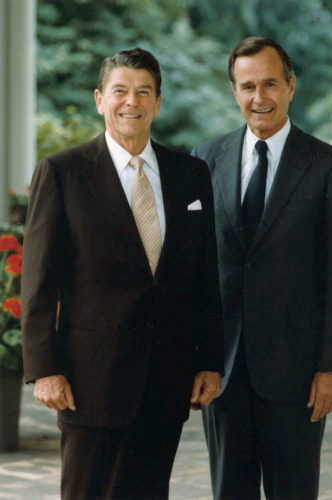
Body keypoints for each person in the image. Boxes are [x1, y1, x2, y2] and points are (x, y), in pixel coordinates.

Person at [22, 48, 223, 500]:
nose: (131, 102)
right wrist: (44, 370)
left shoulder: (191, 175)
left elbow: (205, 277)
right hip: (89, 381)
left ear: (158, 101)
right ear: (99, 99)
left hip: (167, 379)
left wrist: (210, 358)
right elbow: (37, 283)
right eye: (120, 91)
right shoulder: (62, 173)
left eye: (143, 92)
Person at [192, 36, 332, 500]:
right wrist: (195, 356)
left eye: (270, 83)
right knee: (229, 492)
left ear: (292, 86)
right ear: (234, 92)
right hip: (224, 372)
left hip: (299, 373)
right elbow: (193, 270)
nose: (259, 97)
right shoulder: (205, 160)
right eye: (247, 86)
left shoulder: (329, 165)